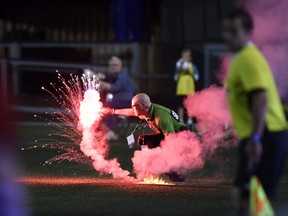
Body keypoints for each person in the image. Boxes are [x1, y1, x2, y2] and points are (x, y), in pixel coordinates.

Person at [222, 8, 288, 215]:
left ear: (248, 32)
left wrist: (257, 138)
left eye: (234, 31)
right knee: (244, 198)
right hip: (262, 135)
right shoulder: (243, 58)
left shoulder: (247, 59)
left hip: (266, 135)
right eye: (225, 30)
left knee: (252, 201)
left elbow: (260, 98)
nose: (227, 36)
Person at [103, 93, 189, 182]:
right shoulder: (146, 110)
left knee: (163, 150)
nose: (132, 109)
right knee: (143, 140)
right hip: (170, 136)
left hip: (182, 139)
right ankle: (148, 168)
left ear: (141, 106)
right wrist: (112, 111)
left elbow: (172, 140)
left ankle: (175, 173)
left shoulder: (160, 117)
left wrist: (165, 159)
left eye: (133, 106)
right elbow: (131, 112)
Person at [99, 56, 136, 140]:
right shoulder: (116, 76)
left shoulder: (122, 76)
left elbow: (114, 88)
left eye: (116, 65)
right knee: (106, 105)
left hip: (125, 102)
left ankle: (111, 131)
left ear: (120, 66)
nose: (113, 66)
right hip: (120, 102)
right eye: (112, 65)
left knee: (108, 107)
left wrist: (98, 81)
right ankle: (106, 129)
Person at [174, 49, 199, 128]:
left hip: (190, 89)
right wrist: (178, 71)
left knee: (190, 105)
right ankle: (181, 120)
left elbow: (197, 78)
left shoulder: (193, 66)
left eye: (187, 56)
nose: (186, 58)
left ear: (190, 57)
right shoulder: (179, 66)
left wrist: (190, 72)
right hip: (181, 90)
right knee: (180, 105)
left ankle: (190, 120)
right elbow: (175, 78)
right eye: (184, 56)